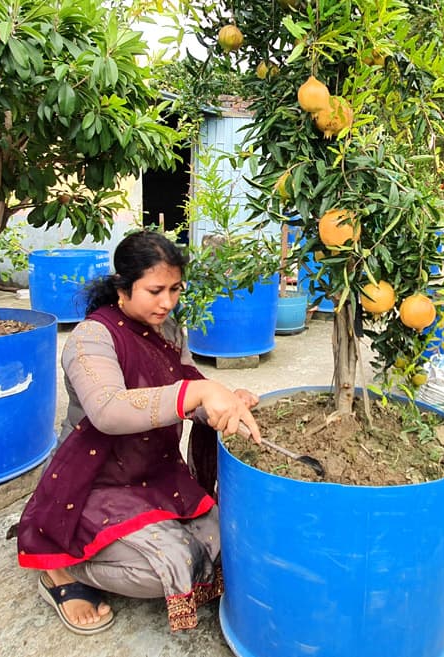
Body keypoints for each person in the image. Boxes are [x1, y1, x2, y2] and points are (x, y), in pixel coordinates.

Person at [16, 230, 261, 634]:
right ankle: (60, 567)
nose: (167, 302)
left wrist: (223, 402)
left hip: (154, 473)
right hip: (94, 483)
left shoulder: (167, 330)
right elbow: (109, 410)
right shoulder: (91, 337)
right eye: (155, 290)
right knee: (171, 564)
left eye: (176, 289)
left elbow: (186, 389)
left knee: (226, 546)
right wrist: (197, 391)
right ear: (123, 289)